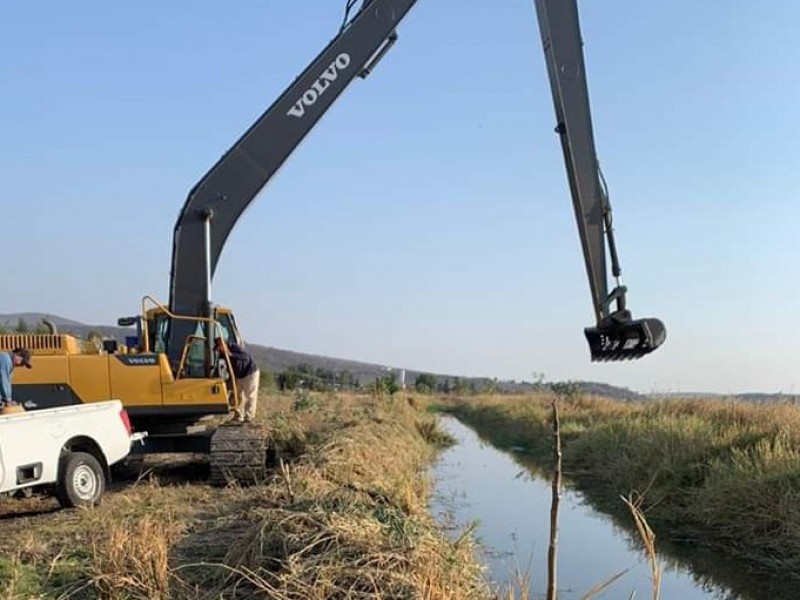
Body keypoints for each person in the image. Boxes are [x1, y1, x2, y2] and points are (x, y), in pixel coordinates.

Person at [215, 338, 260, 423]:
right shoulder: (222, 355)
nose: (218, 349)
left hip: (249, 372)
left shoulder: (234, 347)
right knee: (237, 395)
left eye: (219, 346)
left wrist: (230, 354)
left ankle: (249, 417)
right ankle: (238, 416)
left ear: (224, 344)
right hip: (238, 375)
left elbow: (245, 357)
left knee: (250, 395)